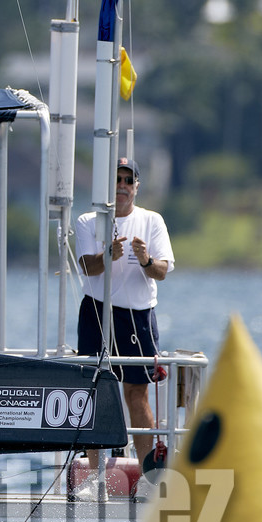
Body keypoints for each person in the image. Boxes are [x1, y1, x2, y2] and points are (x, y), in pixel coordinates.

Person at [75, 157, 173, 467]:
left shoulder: (152, 220)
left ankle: (146, 473)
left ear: (136, 187)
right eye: (117, 179)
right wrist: (107, 255)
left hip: (138, 314)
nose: (122, 186)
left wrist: (145, 260)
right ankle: (93, 472)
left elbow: (162, 271)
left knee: (136, 392)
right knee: (94, 389)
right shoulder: (87, 221)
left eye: (128, 180)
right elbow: (86, 268)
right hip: (95, 309)